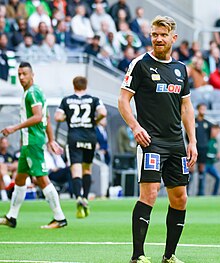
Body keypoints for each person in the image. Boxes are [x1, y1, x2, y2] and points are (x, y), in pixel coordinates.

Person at [118, 15, 197, 263]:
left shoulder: (181, 69)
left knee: (180, 198)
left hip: (176, 143)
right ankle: (138, 255)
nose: (158, 39)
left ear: (173, 38)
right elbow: (122, 100)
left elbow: (187, 108)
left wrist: (192, 141)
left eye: (163, 35)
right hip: (151, 141)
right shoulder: (140, 64)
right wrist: (134, 126)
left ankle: (169, 255)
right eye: (154, 34)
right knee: (150, 194)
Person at [0, 62, 67, 229]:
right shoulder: (33, 92)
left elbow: (38, 117)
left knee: (42, 179)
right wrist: (51, 140)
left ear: (32, 75)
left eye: (24, 74)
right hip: (29, 143)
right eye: (19, 74)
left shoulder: (32, 93)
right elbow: (47, 118)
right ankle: (11, 217)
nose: (22, 77)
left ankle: (59, 217)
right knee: (20, 179)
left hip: (33, 143)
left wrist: (14, 128)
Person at [54, 76, 107, 218]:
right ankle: (85, 197)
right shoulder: (94, 99)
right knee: (87, 169)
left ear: (74, 85)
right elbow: (103, 113)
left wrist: (68, 117)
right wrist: (95, 121)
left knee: (76, 169)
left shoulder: (66, 100)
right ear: (86, 85)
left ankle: (77, 196)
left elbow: (57, 117)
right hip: (89, 136)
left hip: (74, 137)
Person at [189, 103, 211, 196]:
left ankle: (200, 192)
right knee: (191, 169)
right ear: (198, 110)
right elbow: (188, 135)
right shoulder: (193, 122)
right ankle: (187, 191)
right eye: (201, 108)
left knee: (202, 169)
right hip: (194, 148)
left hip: (203, 148)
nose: (203, 110)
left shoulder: (207, 123)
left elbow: (209, 136)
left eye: (204, 109)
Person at [205, 124, 220, 196]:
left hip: (211, 164)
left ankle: (214, 195)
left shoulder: (215, 141)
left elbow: (215, 152)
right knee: (201, 179)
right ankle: (200, 194)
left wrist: (219, 155)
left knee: (218, 177)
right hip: (204, 163)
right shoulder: (206, 139)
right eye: (217, 131)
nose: (217, 133)